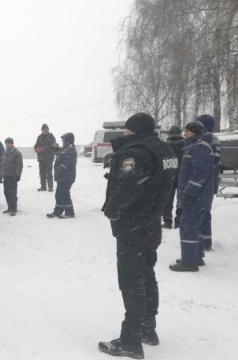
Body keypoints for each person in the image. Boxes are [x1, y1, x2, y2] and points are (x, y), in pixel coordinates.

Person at [99, 113, 177, 359]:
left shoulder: (137, 151)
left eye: (126, 129)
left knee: (132, 279)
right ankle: (147, 328)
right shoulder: (164, 150)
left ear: (133, 129)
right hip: (151, 221)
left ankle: (131, 340)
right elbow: (167, 184)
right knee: (146, 274)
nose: (124, 132)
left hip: (134, 221)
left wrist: (112, 211)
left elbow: (130, 185)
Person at [169, 121, 215, 272]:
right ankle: (196, 257)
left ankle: (189, 262)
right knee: (195, 227)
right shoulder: (193, 146)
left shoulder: (199, 147)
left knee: (189, 227)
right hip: (197, 195)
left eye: (187, 131)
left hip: (196, 196)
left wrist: (189, 193)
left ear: (194, 132)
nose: (184, 134)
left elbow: (199, 174)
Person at [195, 114, 221, 251]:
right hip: (209, 181)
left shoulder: (208, 139)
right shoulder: (212, 139)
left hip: (205, 182)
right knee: (204, 211)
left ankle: (203, 242)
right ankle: (204, 240)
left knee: (202, 212)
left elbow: (209, 162)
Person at [47, 132, 77, 219]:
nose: (62, 141)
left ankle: (70, 213)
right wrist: (55, 149)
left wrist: (60, 169)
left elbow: (69, 162)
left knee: (64, 194)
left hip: (67, 176)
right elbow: (60, 154)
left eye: (63, 139)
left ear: (68, 140)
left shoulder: (70, 149)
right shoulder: (66, 148)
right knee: (59, 194)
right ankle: (57, 211)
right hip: (63, 176)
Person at [162, 126, 186, 229]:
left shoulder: (164, 145)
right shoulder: (186, 144)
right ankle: (179, 221)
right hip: (182, 174)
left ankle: (167, 221)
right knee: (181, 199)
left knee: (167, 199)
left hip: (168, 175)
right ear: (180, 133)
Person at [0, 137, 23, 216]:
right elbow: (2, 164)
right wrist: (1, 173)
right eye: (6, 143)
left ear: (12, 144)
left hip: (13, 176)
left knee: (12, 193)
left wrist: (18, 174)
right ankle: (9, 207)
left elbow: (19, 165)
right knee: (6, 192)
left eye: (9, 143)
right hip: (5, 175)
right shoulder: (4, 153)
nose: (7, 144)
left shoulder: (16, 153)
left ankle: (13, 208)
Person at [34, 123, 56, 191]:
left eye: (46, 129)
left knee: (49, 173)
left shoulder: (51, 137)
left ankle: (50, 187)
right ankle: (43, 186)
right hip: (41, 158)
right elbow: (36, 146)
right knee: (42, 173)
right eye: (43, 129)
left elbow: (52, 146)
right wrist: (36, 149)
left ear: (48, 129)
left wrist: (43, 149)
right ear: (42, 130)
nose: (45, 130)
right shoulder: (39, 137)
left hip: (49, 158)